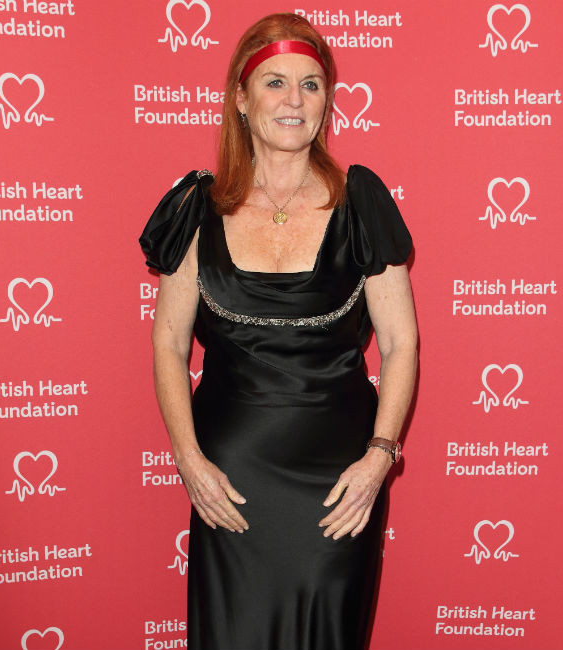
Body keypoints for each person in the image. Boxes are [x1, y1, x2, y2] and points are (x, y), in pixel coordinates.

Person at [139, 12, 418, 650]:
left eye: (311, 85)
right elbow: (169, 344)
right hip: (230, 483)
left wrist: (379, 458)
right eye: (275, 83)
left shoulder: (361, 204)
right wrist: (188, 459)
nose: (294, 100)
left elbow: (401, 344)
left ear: (326, 101)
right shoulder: (196, 210)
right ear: (241, 99)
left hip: (339, 487)